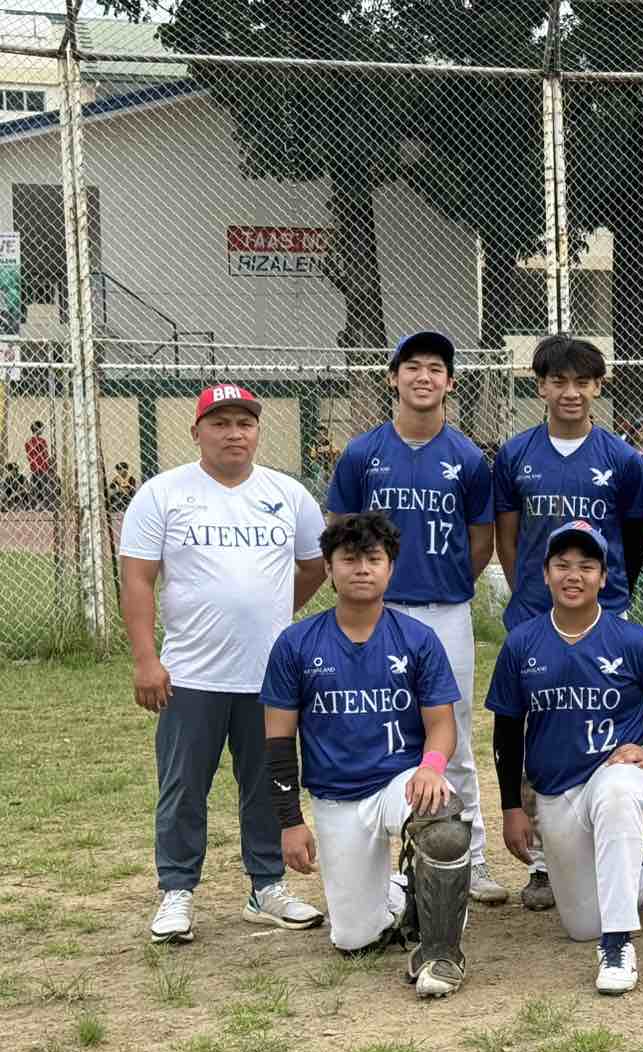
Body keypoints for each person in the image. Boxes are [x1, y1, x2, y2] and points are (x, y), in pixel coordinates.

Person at [119, 383, 327, 945]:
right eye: (220, 423)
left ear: (258, 431)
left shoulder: (288, 494)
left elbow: (314, 566)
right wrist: (145, 658)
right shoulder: (163, 495)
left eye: (245, 423)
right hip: (191, 673)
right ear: (196, 432)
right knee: (184, 784)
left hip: (269, 677)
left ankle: (267, 887)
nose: (234, 433)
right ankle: (177, 890)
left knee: (267, 782)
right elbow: (137, 578)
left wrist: (274, 613)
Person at [327, 330, 507, 907]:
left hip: (444, 611)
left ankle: (471, 854)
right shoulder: (362, 453)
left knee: (450, 732)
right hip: (373, 612)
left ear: (450, 382)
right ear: (393, 378)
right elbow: (341, 532)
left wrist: (448, 583)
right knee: (378, 727)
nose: (423, 377)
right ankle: (388, 855)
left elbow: (480, 541)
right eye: (412, 367)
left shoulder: (469, 458)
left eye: (436, 368)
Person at [260, 512, 469, 997]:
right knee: (355, 938)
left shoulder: (417, 639)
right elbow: (277, 742)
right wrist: (290, 820)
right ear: (328, 569)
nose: (361, 569)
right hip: (337, 796)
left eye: (373, 559)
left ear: (390, 568)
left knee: (443, 821)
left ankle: (441, 955)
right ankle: (403, 895)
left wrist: (432, 768)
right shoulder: (296, 643)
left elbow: (442, 725)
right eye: (348, 559)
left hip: (401, 780)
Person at [486, 519, 643, 995]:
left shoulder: (630, 639)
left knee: (618, 793)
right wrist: (511, 808)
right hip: (555, 790)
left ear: (604, 576)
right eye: (562, 564)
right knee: (580, 924)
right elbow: (507, 728)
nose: (573, 574)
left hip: (614, 771)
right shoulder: (522, 643)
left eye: (586, 565)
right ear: (545, 573)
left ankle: (618, 944)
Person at [494, 335, 643, 911]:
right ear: (540, 386)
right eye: (558, 381)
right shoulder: (515, 455)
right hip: (537, 609)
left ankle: (625, 842)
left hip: (602, 610)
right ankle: (543, 859)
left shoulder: (620, 458)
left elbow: (631, 539)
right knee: (539, 728)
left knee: (606, 720)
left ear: (598, 387)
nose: (570, 392)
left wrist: (606, 595)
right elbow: (509, 536)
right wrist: (529, 591)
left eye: (582, 381)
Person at [24, 420, 54, 507]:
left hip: (33, 468)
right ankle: (44, 505)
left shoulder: (28, 442)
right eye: (41, 429)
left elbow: (29, 455)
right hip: (42, 467)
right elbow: (45, 455)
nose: (42, 431)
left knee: (37, 487)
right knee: (45, 486)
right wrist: (49, 465)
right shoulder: (42, 441)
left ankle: (38, 503)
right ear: (38, 429)